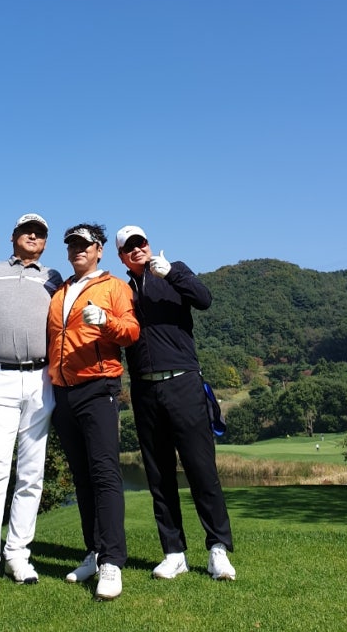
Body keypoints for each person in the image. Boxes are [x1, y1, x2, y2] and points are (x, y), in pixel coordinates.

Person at [115, 224, 236, 581]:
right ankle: (174, 553)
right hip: (144, 389)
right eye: (129, 247)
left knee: (201, 470)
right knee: (159, 475)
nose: (137, 249)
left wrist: (172, 274)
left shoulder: (174, 271)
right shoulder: (122, 290)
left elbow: (204, 299)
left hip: (183, 382)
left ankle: (217, 549)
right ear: (122, 256)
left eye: (141, 243)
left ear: (149, 245)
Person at [0, 214, 63, 603]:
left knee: (32, 475)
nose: (33, 236)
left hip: (40, 381)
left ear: (45, 242)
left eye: (40, 233)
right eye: (26, 231)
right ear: (14, 237)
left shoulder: (53, 277)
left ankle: (17, 555)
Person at [46, 223, 139, 601]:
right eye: (72, 245)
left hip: (98, 387)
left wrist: (106, 321)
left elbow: (131, 331)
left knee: (104, 473)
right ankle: (94, 552)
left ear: (99, 249)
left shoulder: (114, 287)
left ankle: (113, 560)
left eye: (84, 245)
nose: (77, 250)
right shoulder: (59, 291)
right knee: (82, 477)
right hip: (62, 392)